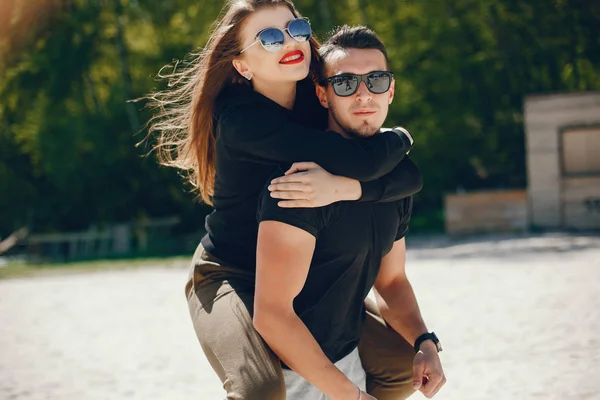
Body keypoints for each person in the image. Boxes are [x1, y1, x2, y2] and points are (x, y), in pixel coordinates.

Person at [147, 0, 422, 399]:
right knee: (259, 390)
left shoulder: (319, 96)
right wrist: (400, 138)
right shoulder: (242, 120)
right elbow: (364, 160)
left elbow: (404, 176)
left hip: (300, 272)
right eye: (270, 37)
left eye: (295, 29)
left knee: (399, 364)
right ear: (242, 65)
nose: (289, 42)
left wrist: (346, 187)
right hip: (233, 273)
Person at [254, 25, 447, 400]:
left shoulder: (395, 183)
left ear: (391, 89)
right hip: (292, 376)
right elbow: (273, 315)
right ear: (323, 96)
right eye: (345, 83)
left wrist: (425, 342)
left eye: (376, 80)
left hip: (348, 360)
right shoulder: (297, 185)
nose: (363, 94)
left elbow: (390, 281)